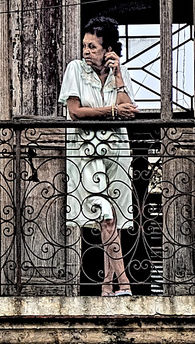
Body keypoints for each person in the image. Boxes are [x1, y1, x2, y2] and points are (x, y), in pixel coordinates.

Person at [59, 16, 138, 296]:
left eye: (93, 46)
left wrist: (117, 76)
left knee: (113, 219)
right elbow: (76, 112)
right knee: (104, 217)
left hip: (116, 150)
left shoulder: (120, 72)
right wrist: (112, 113)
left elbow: (129, 108)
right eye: (85, 45)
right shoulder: (75, 70)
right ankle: (125, 283)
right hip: (86, 152)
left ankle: (107, 287)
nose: (86, 51)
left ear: (108, 50)